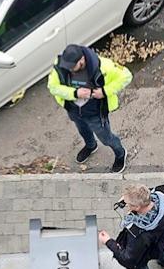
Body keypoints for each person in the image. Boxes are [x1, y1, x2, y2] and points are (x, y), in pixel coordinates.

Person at [46, 44, 133, 173]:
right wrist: (75, 94)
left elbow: (126, 76)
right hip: (74, 111)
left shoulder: (103, 66)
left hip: (95, 113)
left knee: (106, 138)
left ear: (81, 60)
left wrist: (104, 91)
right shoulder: (61, 66)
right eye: (67, 67)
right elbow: (53, 87)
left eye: (72, 67)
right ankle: (91, 146)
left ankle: (120, 153)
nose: (69, 70)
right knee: (83, 131)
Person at [98, 184, 164, 269]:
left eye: (128, 204)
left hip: (145, 249)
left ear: (137, 207)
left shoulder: (137, 233)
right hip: (161, 237)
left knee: (140, 266)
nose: (127, 205)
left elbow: (128, 258)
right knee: (161, 249)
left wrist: (108, 241)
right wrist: (129, 197)